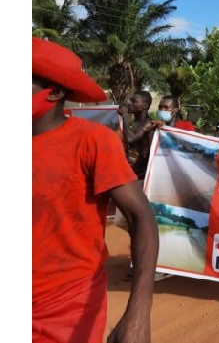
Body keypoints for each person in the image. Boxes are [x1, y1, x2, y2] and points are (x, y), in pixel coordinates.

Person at [32, 37, 159, 343]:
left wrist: (138, 313)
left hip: (61, 308)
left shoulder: (92, 141)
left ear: (57, 92)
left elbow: (142, 217)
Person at [118, 90, 155, 180]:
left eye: (134, 101)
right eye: (130, 100)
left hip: (140, 173)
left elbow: (130, 139)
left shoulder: (148, 123)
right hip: (131, 169)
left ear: (145, 106)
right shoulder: (134, 122)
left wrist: (125, 115)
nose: (129, 103)